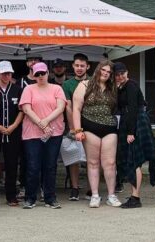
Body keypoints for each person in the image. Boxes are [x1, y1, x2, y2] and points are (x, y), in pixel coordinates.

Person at [72, 60, 121, 208]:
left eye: (109, 72)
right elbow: (76, 109)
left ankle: (111, 195)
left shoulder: (112, 88)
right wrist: (78, 130)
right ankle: (94, 195)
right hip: (89, 127)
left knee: (110, 163)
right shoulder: (84, 85)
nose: (106, 73)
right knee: (93, 163)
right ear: (98, 70)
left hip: (110, 127)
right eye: (104, 70)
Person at [19, 62, 66, 209]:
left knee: (50, 165)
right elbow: (26, 109)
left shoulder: (57, 88)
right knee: (33, 166)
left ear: (48, 73)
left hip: (54, 132)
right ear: (33, 75)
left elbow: (61, 107)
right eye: (37, 74)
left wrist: (45, 121)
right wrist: (42, 123)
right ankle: (30, 198)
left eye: (43, 73)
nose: (40, 76)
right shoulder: (28, 89)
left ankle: (50, 198)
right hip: (32, 133)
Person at [113, 62, 153, 209]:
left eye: (122, 73)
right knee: (131, 159)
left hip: (135, 122)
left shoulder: (131, 85)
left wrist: (131, 132)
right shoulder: (121, 87)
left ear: (127, 72)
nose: (120, 76)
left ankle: (135, 197)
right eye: (117, 74)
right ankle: (134, 195)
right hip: (129, 121)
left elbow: (133, 108)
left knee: (134, 160)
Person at [0, 61, 24, 206]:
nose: (6, 76)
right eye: (4, 73)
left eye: (9, 73)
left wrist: (13, 126)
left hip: (13, 132)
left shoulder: (18, 89)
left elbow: (22, 111)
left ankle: (11, 195)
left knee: (11, 163)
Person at [62, 52, 90, 201]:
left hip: (91, 124)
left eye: (82, 66)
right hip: (74, 125)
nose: (79, 68)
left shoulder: (93, 82)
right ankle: (74, 188)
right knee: (74, 158)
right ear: (73, 66)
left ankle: (92, 189)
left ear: (87, 67)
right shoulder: (67, 84)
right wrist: (73, 128)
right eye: (77, 65)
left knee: (91, 159)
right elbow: (68, 107)